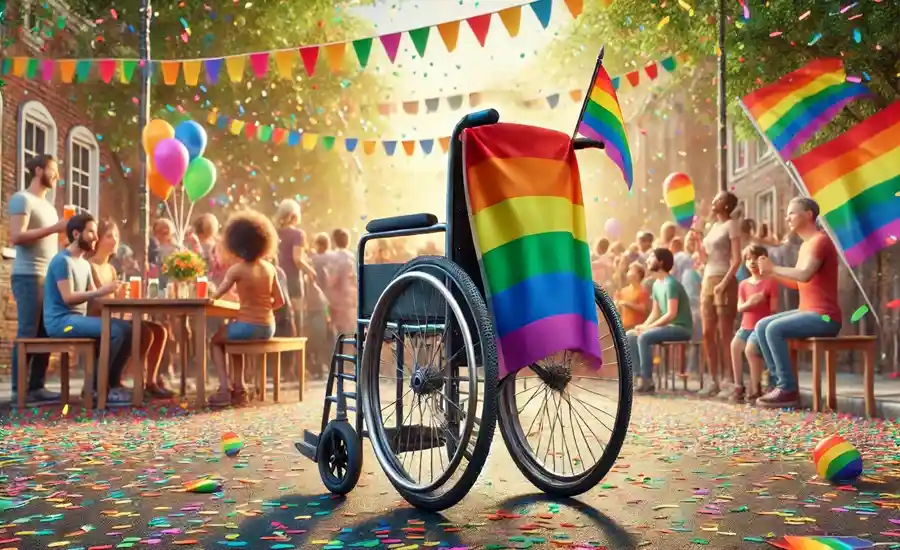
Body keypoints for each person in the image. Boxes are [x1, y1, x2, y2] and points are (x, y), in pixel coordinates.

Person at [754, 197, 842, 408]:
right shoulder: (805, 246)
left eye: (792, 213)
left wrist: (774, 268)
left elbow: (803, 274)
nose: (788, 218)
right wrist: (771, 274)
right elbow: (797, 283)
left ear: (809, 214)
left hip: (825, 317)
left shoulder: (820, 241)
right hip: (808, 311)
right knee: (761, 325)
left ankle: (787, 389)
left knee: (774, 329)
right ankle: (777, 384)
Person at [43, 213, 133, 405]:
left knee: (127, 328)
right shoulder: (62, 261)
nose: (96, 237)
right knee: (115, 331)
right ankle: (96, 388)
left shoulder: (84, 263)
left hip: (77, 321)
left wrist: (116, 292)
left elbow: (96, 296)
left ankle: (112, 384)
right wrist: (99, 291)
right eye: (91, 232)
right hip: (62, 324)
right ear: (76, 234)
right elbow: (68, 297)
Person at [208, 211, 285, 407]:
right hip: (268, 327)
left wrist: (210, 295)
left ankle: (225, 389)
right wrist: (261, 309)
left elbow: (216, 295)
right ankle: (239, 387)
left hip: (247, 325)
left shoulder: (237, 270)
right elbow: (280, 301)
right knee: (234, 341)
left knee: (216, 341)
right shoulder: (270, 268)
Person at [89, 219, 173, 398]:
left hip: (114, 316)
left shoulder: (111, 269)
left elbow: (115, 301)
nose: (114, 240)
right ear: (98, 239)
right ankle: (136, 380)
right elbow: (98, 301)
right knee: (145, 332)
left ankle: (150, 382)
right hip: (97, 319)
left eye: (116, 236)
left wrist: (122, 296)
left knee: (159, 330)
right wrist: (116, 297)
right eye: (109, 236)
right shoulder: (92, 266)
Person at [8, 154, 68, 404]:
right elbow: (16, 236)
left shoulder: (50, 208)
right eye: (53, 170)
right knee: (28, 330)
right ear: (39, 170)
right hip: (28, 275)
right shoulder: (22, 199)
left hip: (48, 277)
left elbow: (50, 242)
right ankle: (18, 389)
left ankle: (37, 387)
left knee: (47, 331)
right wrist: (55, 228)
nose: (57, 175)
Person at [691, 191, 741, 397]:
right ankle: (713, 379)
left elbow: (737, 259)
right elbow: (704, 259)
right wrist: (697, 240)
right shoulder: (712, 227)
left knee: (725, 332)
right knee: (707, 332)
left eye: (718, 199)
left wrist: (724, 283)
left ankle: (729, 379)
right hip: (707, 279)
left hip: (724, 278)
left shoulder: (732, 225)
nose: (713, 201)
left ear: (727, 205)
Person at [626, 248, 693, 394]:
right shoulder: (656, 284)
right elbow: (655, 312)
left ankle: (648, 380)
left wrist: (648, 328)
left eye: (652, 257)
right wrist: (644, 325)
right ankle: (638, 377)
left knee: (644, 337)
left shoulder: (670, 284)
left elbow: (671, 313)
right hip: (667, 327)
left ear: (661, 262)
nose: (648, 259)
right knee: (630, 335)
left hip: (680, 327)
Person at [725, 245, 779, 403]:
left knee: (752, 351)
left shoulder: (770, 282)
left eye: (755, 258)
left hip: (760, 328)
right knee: (735, 346)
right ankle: (738, 385)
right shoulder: (743, 284)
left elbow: (774, 309)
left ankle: (755, 387)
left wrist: (761, 302)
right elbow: (740, 307)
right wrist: (752, 302)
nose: (752, 262)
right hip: (745, 326)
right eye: (748, 259)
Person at [273, 199, 316, 338]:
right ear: (293, 215)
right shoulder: (298, 234)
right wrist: (310, 270)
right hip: (292, 280)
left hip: (275, 278)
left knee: (279, 316)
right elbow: (297, 259)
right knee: (297, 318)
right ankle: (297, 355)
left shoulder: (273, 233)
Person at [324, 228, 358, 336]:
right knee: (348, 332)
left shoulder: (331, 256)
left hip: (334, 299)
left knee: (335, 331)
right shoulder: (352, 257)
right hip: (348, 299)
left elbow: (331, 280)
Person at [614, 262, 650, 331]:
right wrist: (616, 302)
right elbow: (618, 308)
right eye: (629, 270)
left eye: (631, 270)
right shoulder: (623, 290)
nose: (628, 273)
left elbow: (643, 309)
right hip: (624, 326)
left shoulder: (642, 291)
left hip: (636, 327)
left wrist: (626, 303)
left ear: (638, 275)